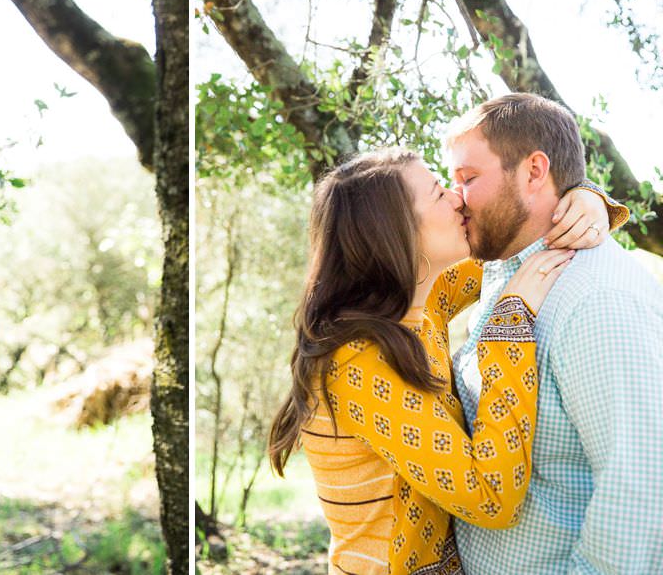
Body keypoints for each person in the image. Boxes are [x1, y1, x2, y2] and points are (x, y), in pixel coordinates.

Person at [263, 144, 622, 575]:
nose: (457, 198)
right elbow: (489, 497)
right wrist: (506, 328)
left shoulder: (418, 304)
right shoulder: (356, 359)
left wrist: (584, 198)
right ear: (394, 232)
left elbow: (521, 243)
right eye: (437, 192)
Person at [443, 94, 663, 572]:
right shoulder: (503, 268)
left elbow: (642, 490)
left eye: (468, 178)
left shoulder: (597, 300)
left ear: (534, 172)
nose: (455, 196)